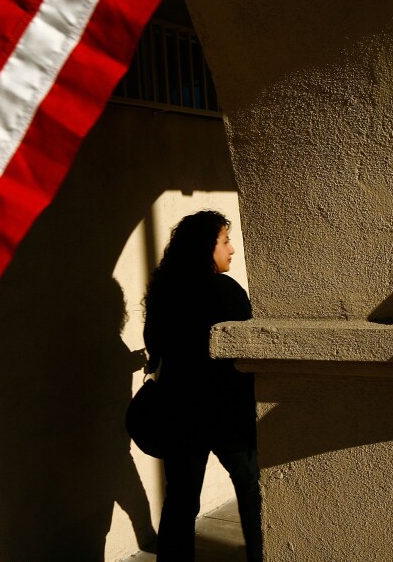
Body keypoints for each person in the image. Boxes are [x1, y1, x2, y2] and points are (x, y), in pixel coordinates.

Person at [143, 210, 262, 562]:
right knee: (252, 491)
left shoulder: (164, 292)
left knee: (180, 499)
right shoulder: (225, 291)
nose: (232, 249)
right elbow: (247, 347)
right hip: (228, 412)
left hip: (180, 409)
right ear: (204, 248)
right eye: (225, 241)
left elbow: (155, 344)